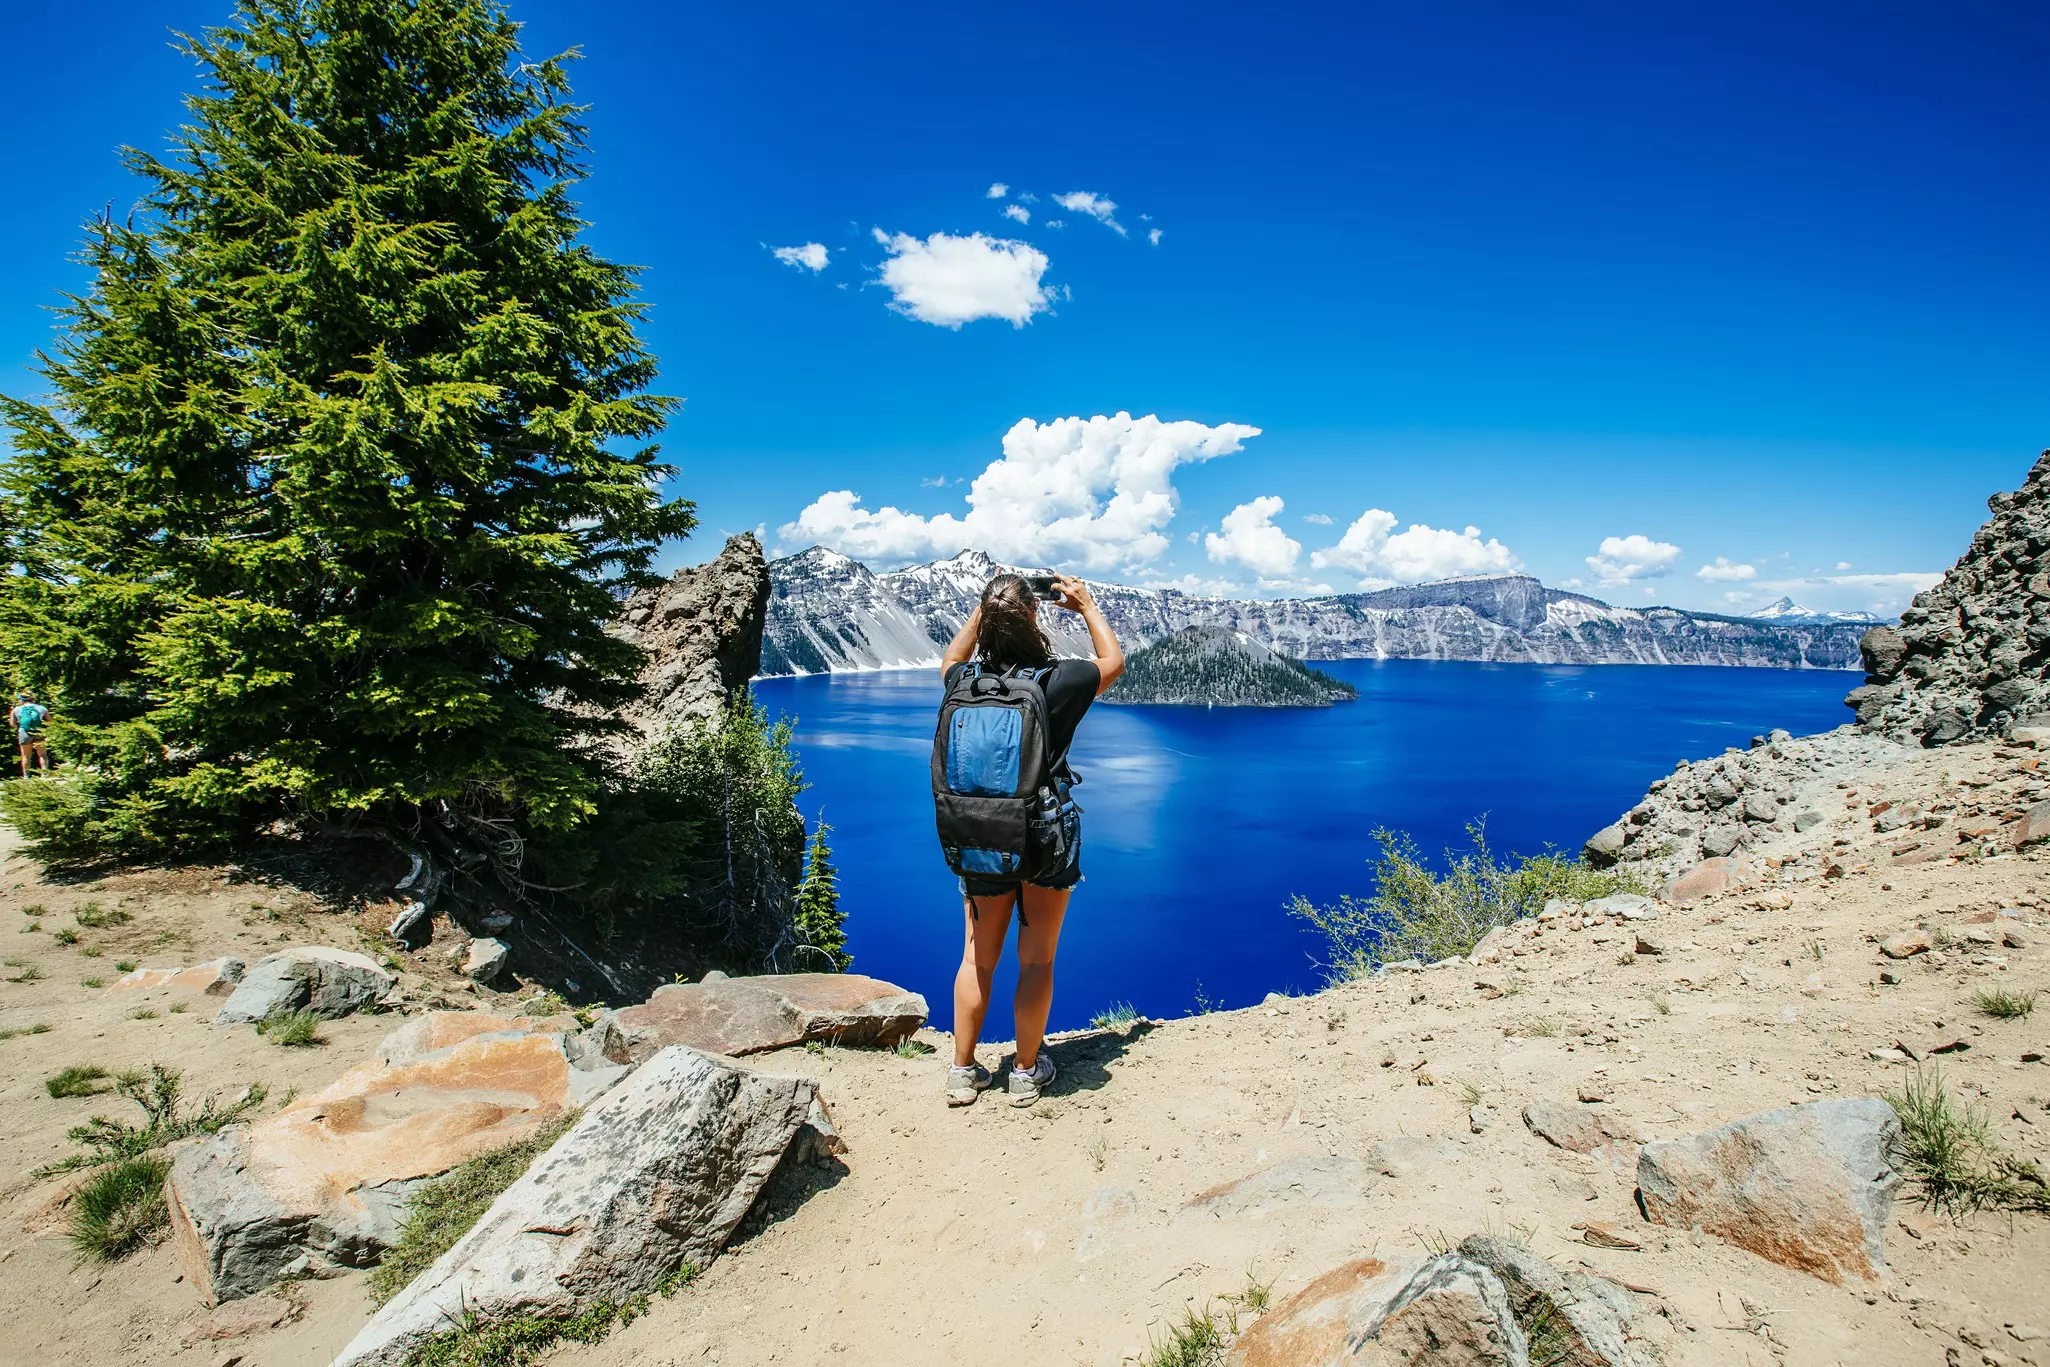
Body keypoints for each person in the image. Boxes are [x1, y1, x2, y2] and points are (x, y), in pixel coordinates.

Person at [938, 572, 1123, 1107]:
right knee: (1037, 959)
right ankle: (1024, 1070)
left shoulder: (963, 685)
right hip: (1045, 838)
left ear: (985, 623)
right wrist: (1085, 604)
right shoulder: (1057, 682)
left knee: (977, 958)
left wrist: (983, 611)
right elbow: (1113, 663)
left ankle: (963, 1071)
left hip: (979, 835)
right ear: (1034, 619)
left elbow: (949, 657)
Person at [12, 691, 50, 779]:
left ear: (21, 700)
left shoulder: (17, 709)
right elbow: (50, 721)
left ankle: (26, 776)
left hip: (24, 732)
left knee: (26, 756)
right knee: (42, 754)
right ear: (32, 699)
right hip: (38, 732)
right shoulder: (41, 708)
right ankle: (44, 774)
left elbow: (12, 724)